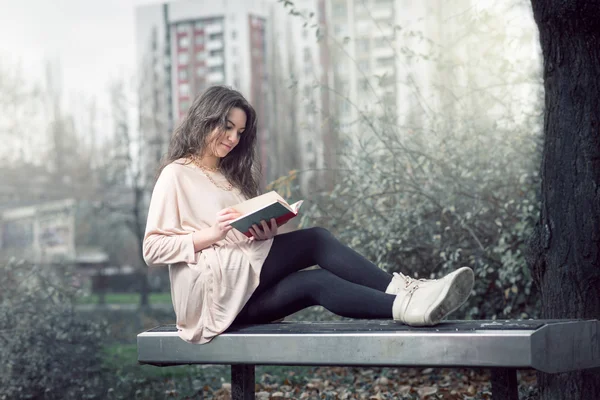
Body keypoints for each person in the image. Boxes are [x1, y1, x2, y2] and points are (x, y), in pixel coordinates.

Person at [143, 85, 474, 344]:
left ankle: (409, 308)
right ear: (206, 118)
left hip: (242, 298)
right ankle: (406, 291)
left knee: (317, 282)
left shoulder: (230, 178)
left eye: (240, 133)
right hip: (213, 295)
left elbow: (241, 239)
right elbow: (152, 249)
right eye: (227, 128)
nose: (233, 139)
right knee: (315, 239)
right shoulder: (177, 173)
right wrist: (210, 235)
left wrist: (264, 234)